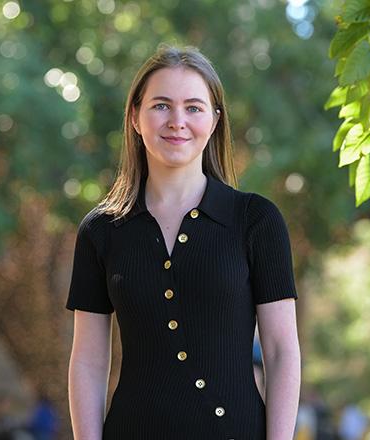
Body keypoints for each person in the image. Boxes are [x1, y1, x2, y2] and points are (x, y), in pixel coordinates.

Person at [66, 44, 301, 439]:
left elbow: (281, 352)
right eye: (161, 106)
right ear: (135, 117)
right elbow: (88, 360)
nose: (177, 121)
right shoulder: (101, 231)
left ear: (214, 120)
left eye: (193, 107)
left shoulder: (257, 221)